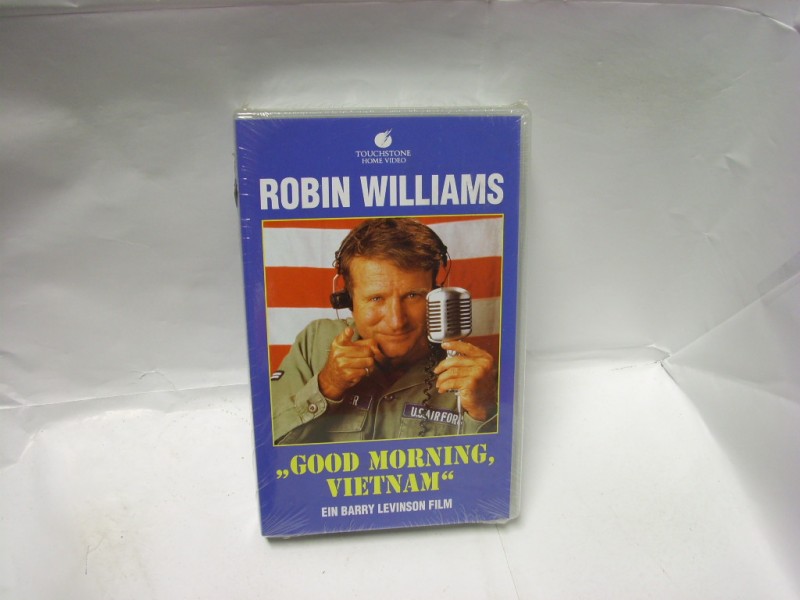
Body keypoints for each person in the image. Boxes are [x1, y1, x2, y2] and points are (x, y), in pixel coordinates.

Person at [270, 218, 498, 444]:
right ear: (348, 300)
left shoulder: (473, 373)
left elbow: (489, 462)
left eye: (412, 296)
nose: (397, 321)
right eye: (376, 298)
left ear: (436, 294)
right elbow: (267, 446)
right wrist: (327, 385)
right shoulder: (315, 342)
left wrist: (482, 410)